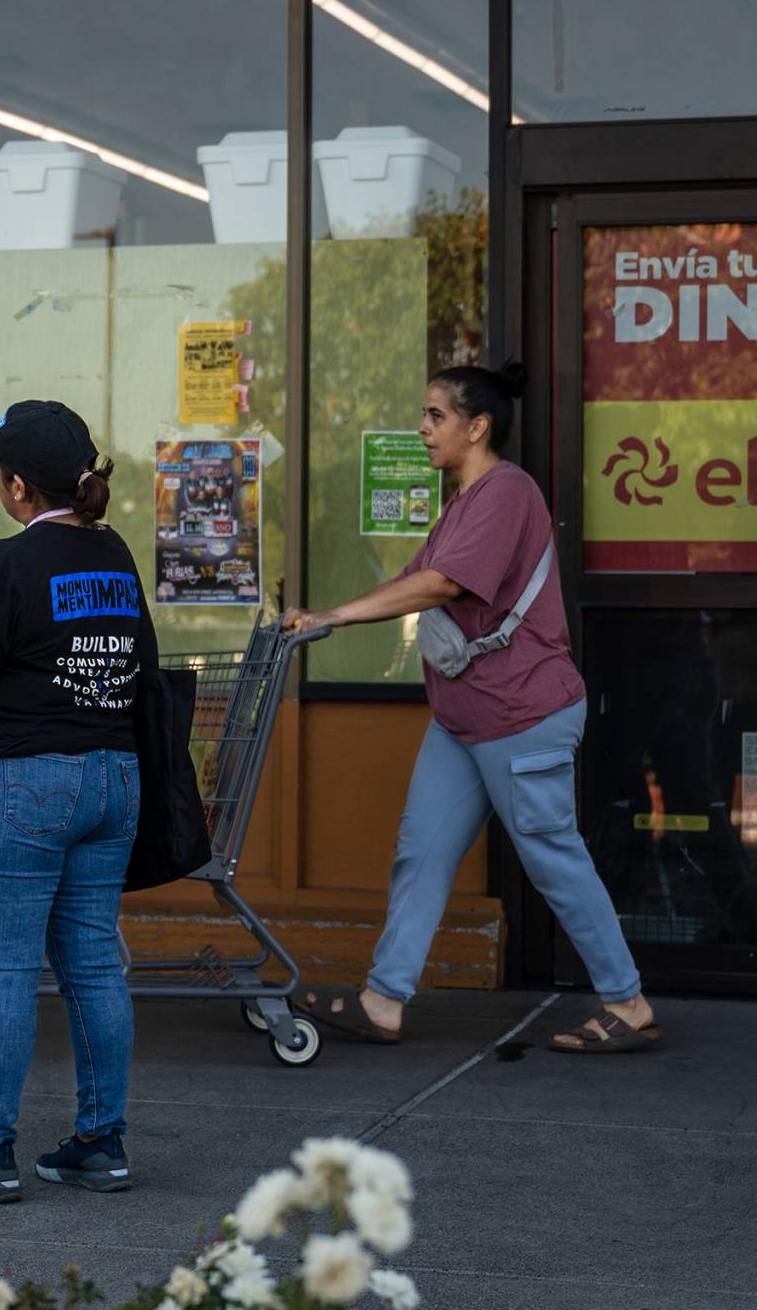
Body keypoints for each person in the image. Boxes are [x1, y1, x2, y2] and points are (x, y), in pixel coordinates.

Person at [283, 361, 660, 1055]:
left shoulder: (505, 492)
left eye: (435, 416)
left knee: (552, 857)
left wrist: (331, 615)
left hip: (521, 714)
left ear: (476, 426)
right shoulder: (464, 499)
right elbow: (412, 579)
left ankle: (627, 1001)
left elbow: (440, 582)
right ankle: (383, 999)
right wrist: (323, 618)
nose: (422, 429)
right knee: (421, 852)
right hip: (466, 719)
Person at [0, 401, 156, 1203]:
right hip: (112, 778)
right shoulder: (117, 556)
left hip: (20, 780)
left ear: (16, 485)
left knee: (8, 968)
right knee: (92, 962)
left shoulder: (0, 565)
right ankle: (101, 1139)